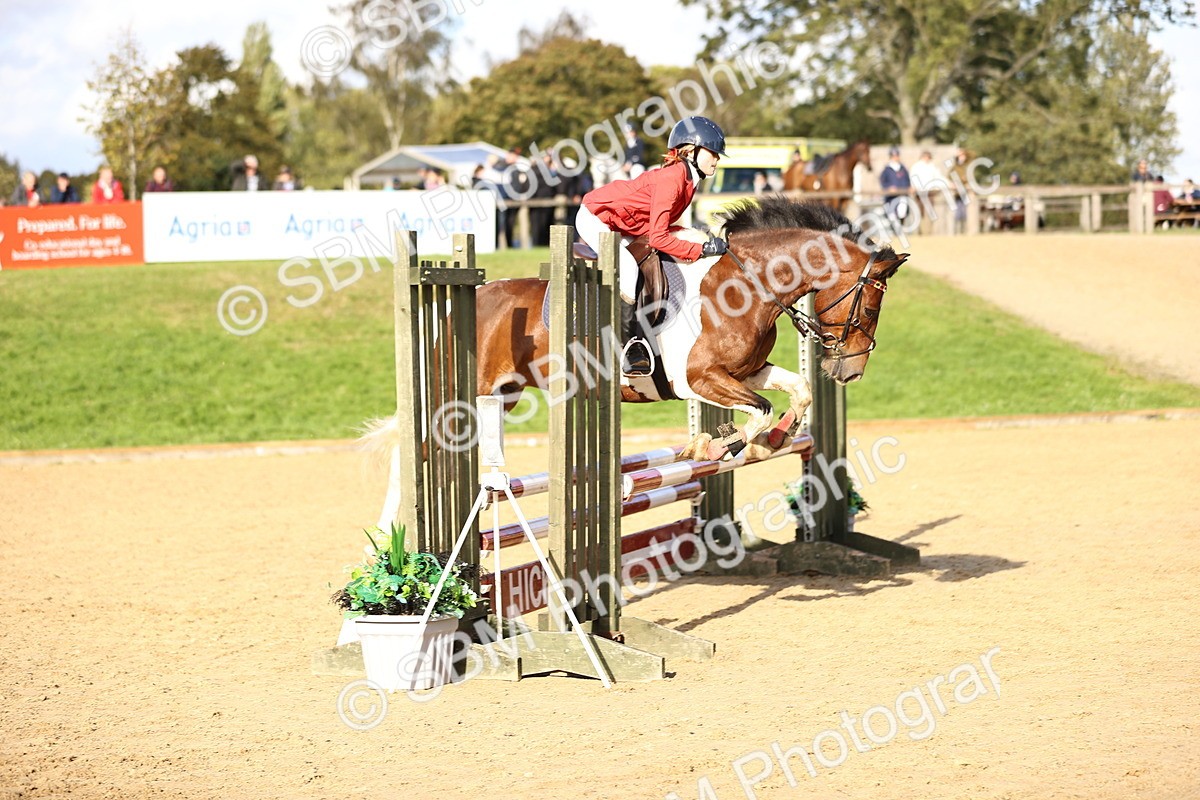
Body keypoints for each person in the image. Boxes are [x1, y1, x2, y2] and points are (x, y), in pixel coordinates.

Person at [576, 116, 728, 377]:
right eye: (712, 152)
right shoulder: (674, 179)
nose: (717, 158)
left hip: (626, 225)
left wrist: (701, 240)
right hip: (595, 217)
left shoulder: (690, 180)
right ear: (690, 150)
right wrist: (700, 250)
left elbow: (664, 227)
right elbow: (658, 237)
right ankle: (629, 347)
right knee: (627, 268)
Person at [908, 151, 943, 234]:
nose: (927, 159)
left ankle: (929, 232)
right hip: (920, 192)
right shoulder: (916, 166)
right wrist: (914, 186)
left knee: (930, 212)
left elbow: (938, 177)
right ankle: (921, 232)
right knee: (921, 212)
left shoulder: (932, 166)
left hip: (930, 192)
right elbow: (913, 177)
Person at [879, 146, 911, 229]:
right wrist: (888, 188)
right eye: (894, 156)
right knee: (892, 215)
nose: (896, 157)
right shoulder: (887, 170)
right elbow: (883, 182)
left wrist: (909, 188)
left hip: (902, 195)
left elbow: (907, 180)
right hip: (891, 198)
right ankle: (894, 231)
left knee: (902, 212)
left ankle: (900, 230)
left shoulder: (903, 168)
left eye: (897, 155)